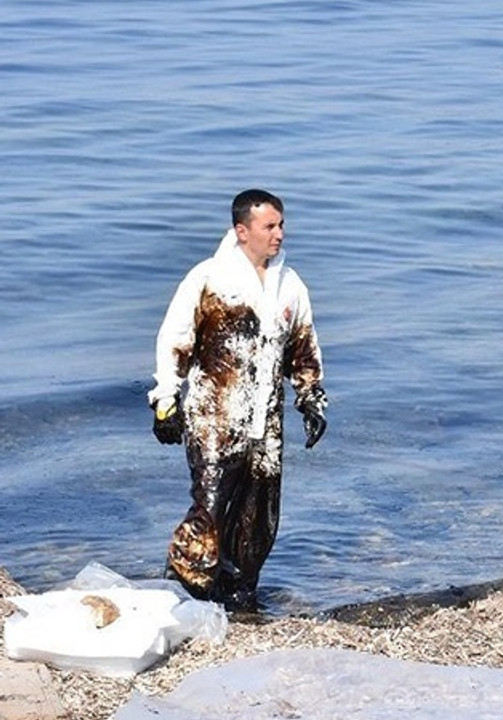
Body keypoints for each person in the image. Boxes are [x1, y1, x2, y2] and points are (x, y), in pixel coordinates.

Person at [148, 189, 328, 610]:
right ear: (242, 231)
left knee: (258, 514)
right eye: (270, 226)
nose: (280, 234)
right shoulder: (208, 279)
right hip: (215, 415)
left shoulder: (291, 285)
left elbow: (303, 346)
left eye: (282, 224)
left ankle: (240, 594)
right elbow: (175, 338)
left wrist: (311, 398)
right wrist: (165, 400)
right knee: (209, 508)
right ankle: (183, 593)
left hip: (265, 422)